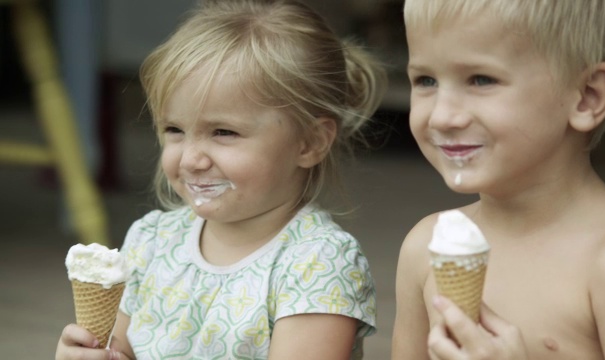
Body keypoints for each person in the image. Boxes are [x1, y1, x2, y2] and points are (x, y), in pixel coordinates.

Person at [56, 0, 387, 359]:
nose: (191, 159)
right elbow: (121, 349)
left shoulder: (318, 263)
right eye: (175, 130)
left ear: (310, 142)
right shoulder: (151, 242)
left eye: (224, 132)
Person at [392, 0, 605, 359]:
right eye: (426, 80)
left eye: (481, 79)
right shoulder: (424, 247)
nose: (443, 116)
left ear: (587, 96)